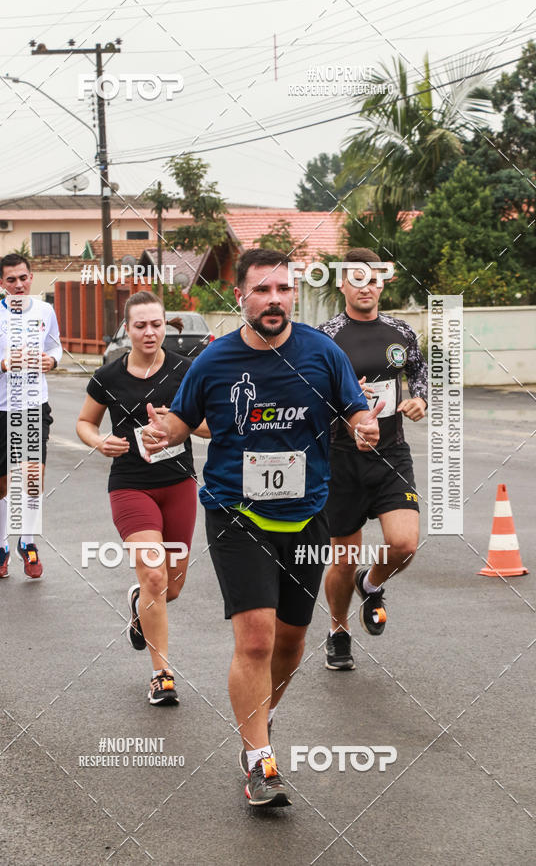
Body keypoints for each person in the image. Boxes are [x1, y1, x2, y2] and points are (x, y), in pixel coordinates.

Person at [141, 249, 384, 807]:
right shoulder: (214, 361)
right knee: (255, 637)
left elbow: (355, 410)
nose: (273, 299)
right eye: (262, 290)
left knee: (292, 642)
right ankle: (258, 759)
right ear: (241, 297)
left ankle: (261, 718)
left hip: (307, 515)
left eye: (282, 289)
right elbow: (182, 421)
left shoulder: (323, 353)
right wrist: (163, 434)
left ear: (292, 294)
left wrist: (365, 424)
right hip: (234, 512)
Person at [76, 290, 209, 707]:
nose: (149, 332)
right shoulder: (109, 377)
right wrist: (100, 442)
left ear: (164, 325)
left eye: (156, 324)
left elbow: (208, 427)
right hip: (131, 484)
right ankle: (161, 674)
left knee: (170, 588)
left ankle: (138, 603)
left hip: (179, 484)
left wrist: (176, 423)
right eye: (140, 325)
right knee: (153, 575)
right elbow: (83, 422)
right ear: (127, 329)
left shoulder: (187, 371)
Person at [318, 248, 427, 672]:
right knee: (342, 560)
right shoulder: (326, 336)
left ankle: (373, 582)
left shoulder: (401, 331)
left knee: (404, 544)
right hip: (341, 457)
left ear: (383, 283)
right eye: (357, 279)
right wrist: (346, 404)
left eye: (374, 279)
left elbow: (417, 373)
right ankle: (338, 631)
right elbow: (309, 394)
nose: (367, 287)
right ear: (343, 284)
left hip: (392, 453)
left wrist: (419, 399)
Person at [0, 254, 62, 579]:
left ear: (31, 277)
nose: (19, 285)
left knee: (32, 479)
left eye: (23, 278)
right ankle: (1, 544)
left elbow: (55, 347)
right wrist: (3, 365)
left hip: (33, 406)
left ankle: (28, 542)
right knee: (0, 483)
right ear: (1, 283)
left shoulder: (45, 311)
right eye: (11, 280)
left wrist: (52, 361)